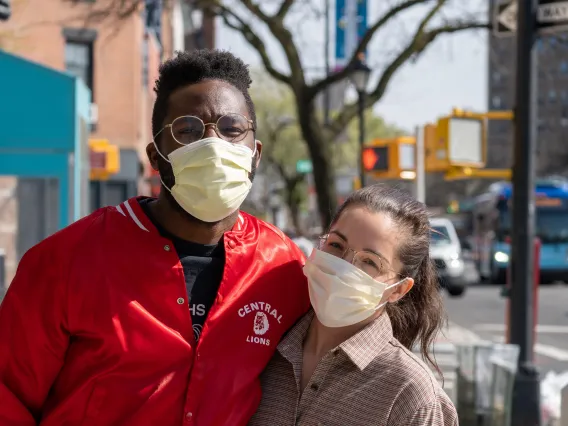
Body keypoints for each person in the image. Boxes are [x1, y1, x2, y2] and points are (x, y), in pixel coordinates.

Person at [0, 50, 310, 426]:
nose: (213, 146)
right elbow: (8, 394)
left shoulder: (285, 267)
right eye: (188, 130)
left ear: (255, 154)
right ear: (156, 155)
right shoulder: (66, 260)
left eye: (232, 129)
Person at [249, 184, 458, 426]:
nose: (344, 267)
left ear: (399, 289)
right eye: (336, 245)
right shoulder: (263, 349)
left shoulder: (410, 395)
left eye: (370, 262)